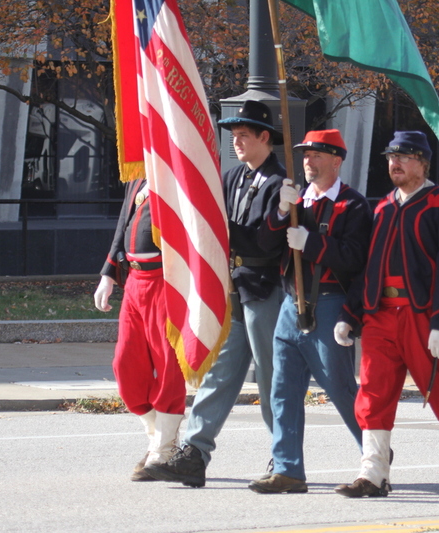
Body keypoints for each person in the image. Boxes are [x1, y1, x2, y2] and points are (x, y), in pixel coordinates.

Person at [332, 131, 439, 498]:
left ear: (423, 163)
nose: (394, 164)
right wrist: (351, 314)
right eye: (390, 157)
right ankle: (373, 474)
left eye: (403, 157)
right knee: (372, 393)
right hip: (380, 316)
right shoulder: (383, 207)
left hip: (422, 315)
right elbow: (370, 267)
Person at [144, 101, 286, 487]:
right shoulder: (233, 178)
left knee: (273, 376)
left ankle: (284, 457)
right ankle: (194, 451)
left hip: (265, 288)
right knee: (219, 373)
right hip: (233, 288)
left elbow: (264, 244)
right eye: (234, 135)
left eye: (244, 134)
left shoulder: (280, 184)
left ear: (264, 137)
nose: (237, 141)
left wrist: (221, 229)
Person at [248, 129, 373, 494]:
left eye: (317, 155)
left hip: (331, 301)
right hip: (291, 301)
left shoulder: (353, 205)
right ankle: (288, 468)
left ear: (337, 160)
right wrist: (282, 210)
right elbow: (265, 243)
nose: (308, 161)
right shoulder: (297, 201)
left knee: (340, 388)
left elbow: (355, 257)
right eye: (305, 155)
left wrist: (313, 243)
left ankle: (375, 456)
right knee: (282, 389)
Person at [93, 176, 186, 482]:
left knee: (168, 364)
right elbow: (124, 224)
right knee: (125, 363)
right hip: (135, 280)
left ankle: (164, 448)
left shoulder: (177, 170)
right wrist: (108, 273)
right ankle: (156, 437)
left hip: (166, 280)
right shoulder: (137, 177)